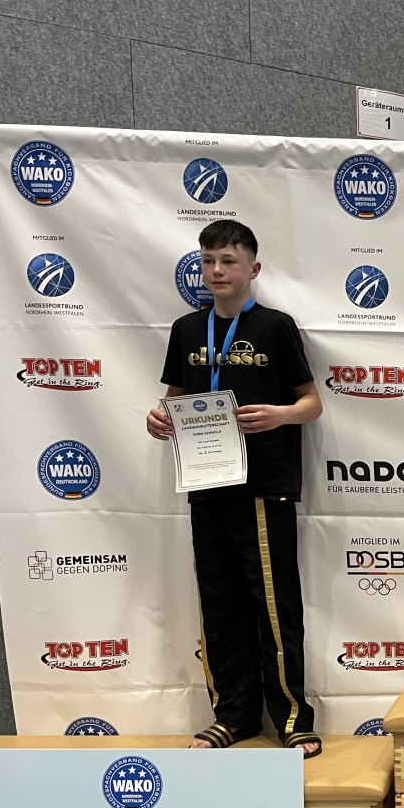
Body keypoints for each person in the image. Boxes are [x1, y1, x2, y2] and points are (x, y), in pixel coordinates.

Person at [146, 220, 324, 756]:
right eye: (207, 261)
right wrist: (158, 418)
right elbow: (173, 398)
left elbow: (311, 403)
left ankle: (292, 717)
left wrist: (279, 415)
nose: (216, 270)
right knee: (218, 603)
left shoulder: (275, 327)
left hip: (264, 486)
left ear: (253, 268)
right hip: (206, 484)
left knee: (273, 606)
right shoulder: (186, 329)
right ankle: (233, 715)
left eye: (227, 261)